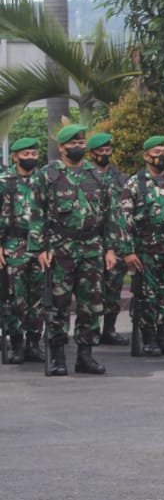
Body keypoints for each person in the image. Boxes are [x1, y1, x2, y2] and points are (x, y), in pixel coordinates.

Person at [28, 125, 126, 375]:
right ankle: (58, 356)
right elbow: (37, 215)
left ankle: (85, 356)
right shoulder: (47, 175)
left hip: (92, 248)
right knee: (57, 305)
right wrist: (40, 248)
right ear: (61, 147)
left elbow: (112, 215)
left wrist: (111, 249)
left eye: (82, 142)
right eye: (73, 143)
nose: (78, 146)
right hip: (60, 248)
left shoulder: (97, 176)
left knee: (91, 304)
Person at [120, 135, 164, 357]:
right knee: (147, 295)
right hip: (145, 249)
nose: (162, 157)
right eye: (157, 153)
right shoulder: (134, 183)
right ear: (146, 156)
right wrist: (127, 251)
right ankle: (148, 338)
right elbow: (125, 219)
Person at [1, 137, 44, 363]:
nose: (30, 158)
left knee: (38, 297)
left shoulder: (44, 180)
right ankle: (17, 344)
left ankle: (34, 343)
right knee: (15, 298)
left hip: (40, 247)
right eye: (25, 155)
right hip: (13, 245)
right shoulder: (4, 181)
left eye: (34, 154)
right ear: (15, 156)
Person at [88, 132, 130, 346]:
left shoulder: (121, 178)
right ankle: (91, 330)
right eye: (100, 151)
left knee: (113, 287)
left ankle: (110, 329)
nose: (105, 154)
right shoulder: (85, 176)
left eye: (107, 150)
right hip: (91, 241)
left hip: (115, 240)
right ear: (92, 153)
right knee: (92, 289)